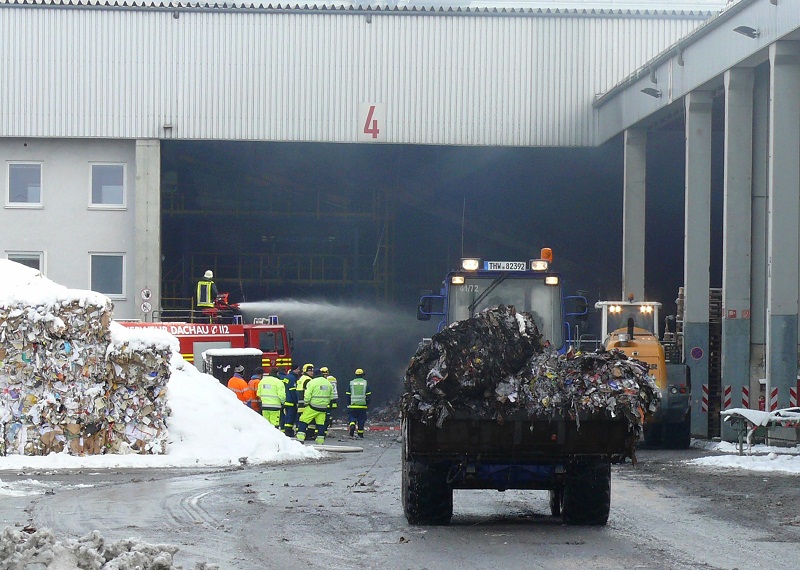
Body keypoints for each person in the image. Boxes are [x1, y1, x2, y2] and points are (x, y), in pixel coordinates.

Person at [295, 370, 333, 445]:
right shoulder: (328, 383)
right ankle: (320, 442)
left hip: (313, 406)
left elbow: (307, 395)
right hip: (323, 408)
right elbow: (331, 396)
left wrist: (306, 403)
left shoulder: (312, 382)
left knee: (303, 420)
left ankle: (300, 439)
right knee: (321, 424)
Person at [347, 368, 371, 438]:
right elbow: (368, 395)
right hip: (362, 405)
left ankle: (352, 425)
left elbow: (348, 394)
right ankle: (360, 434)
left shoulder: (351, 383)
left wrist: (349, 403)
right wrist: (367, 404)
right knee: (361, 419)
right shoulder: (365, 383)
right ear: (362, 375)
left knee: (352, 416)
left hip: (353, 405)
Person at [281, 363, 300, 437]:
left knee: (288, 416)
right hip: (291, 401)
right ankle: (288, 431)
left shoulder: (287, 377)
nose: (299, 371)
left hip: (286, 400)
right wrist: (296, 401)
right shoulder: (293, 378)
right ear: (294, 370)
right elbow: (293, 391)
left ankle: (287, 430)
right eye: (298, 369)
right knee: (291, 417)